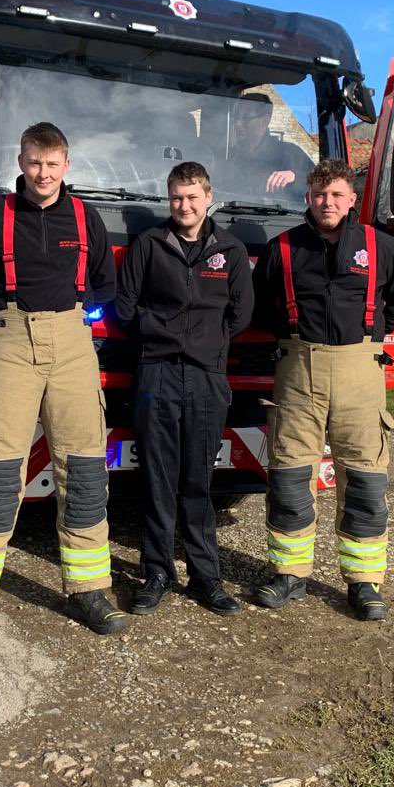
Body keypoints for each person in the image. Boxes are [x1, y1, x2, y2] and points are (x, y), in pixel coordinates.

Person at [0, 122, 128, 640]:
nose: (43, 173)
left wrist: (75, 315)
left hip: (72, 345)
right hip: (10, 345)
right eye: (35, 163)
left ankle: (89, 590)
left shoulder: (86, 217)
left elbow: (105, 285)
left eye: (52, 164)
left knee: (85, 471)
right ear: (21, 163)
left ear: (66, 165)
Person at [250, 159, 394, 621]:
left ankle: (364, 582)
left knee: (364, 478)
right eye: (320, 195)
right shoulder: (282, 248)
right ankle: (289, 573)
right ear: (308, 198)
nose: (328, 203)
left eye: (338, 195)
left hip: (359, 368)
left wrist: (367, 337)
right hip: (298, 368)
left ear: (351, 199)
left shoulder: (381, 247)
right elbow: (261, 307)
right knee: (289, 475)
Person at [115, 161, 254, 616]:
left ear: (208, 198)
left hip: (207, 376)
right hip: (156, 372)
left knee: (199, 480)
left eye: (192, 197)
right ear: (168, 198)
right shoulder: (149, 245)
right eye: (176, 197)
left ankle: (205, 576)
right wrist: (160, 337)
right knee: (157, 478)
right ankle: (156, 573)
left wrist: (207, 344)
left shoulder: (230, 250)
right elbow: (125, 306)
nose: (184, 205)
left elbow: (241, 313)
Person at [218, 92, 313, 201]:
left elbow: (323, 183)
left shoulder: (290, 153)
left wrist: (295, 177)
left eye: (245, 118)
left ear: (264, 121)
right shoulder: (228, 156)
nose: (238, 124)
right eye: (236, 118)